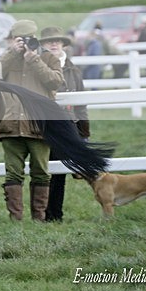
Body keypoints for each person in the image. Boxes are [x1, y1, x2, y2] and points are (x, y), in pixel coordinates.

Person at [0, 20, 64, 222]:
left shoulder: (49, 58)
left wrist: (34, 59)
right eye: (20, 39)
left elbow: (55, 81)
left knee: (41, 172)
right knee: (13, 174)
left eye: (28, 39)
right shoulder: (7, 59)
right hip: (11, 125)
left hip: (38, 125)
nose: (24, 43)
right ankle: (16, 219)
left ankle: (39, 218)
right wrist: (11, 52)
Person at [38, 27, 90, 222]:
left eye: (57, 41)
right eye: (49, 41)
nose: (54, 44)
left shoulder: (73, 70)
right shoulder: (37, 66)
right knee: (42, 170)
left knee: (59, 172)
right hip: (44, 124)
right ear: (43, 45)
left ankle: (55, 214)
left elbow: (81, 103)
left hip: (67, 124)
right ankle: (41, 213)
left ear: (63, 44)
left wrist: (83, 133)